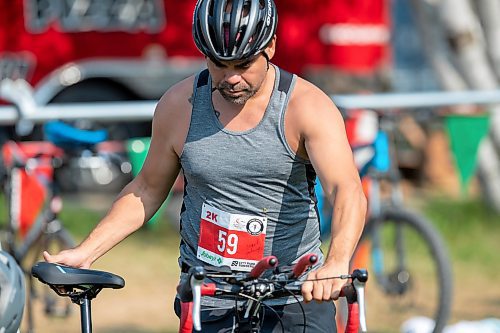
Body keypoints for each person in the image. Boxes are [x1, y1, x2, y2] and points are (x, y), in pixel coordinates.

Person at [44, 0, 367, 331]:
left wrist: (336, 262)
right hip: (209, 299)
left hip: (292, 299)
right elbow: (146, 189)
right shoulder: (179, 106)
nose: (231, 78)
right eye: (218, 64)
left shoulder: (306, 107)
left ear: (270, 45)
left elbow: (347, 190)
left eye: (243, 64)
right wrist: (86, 252)